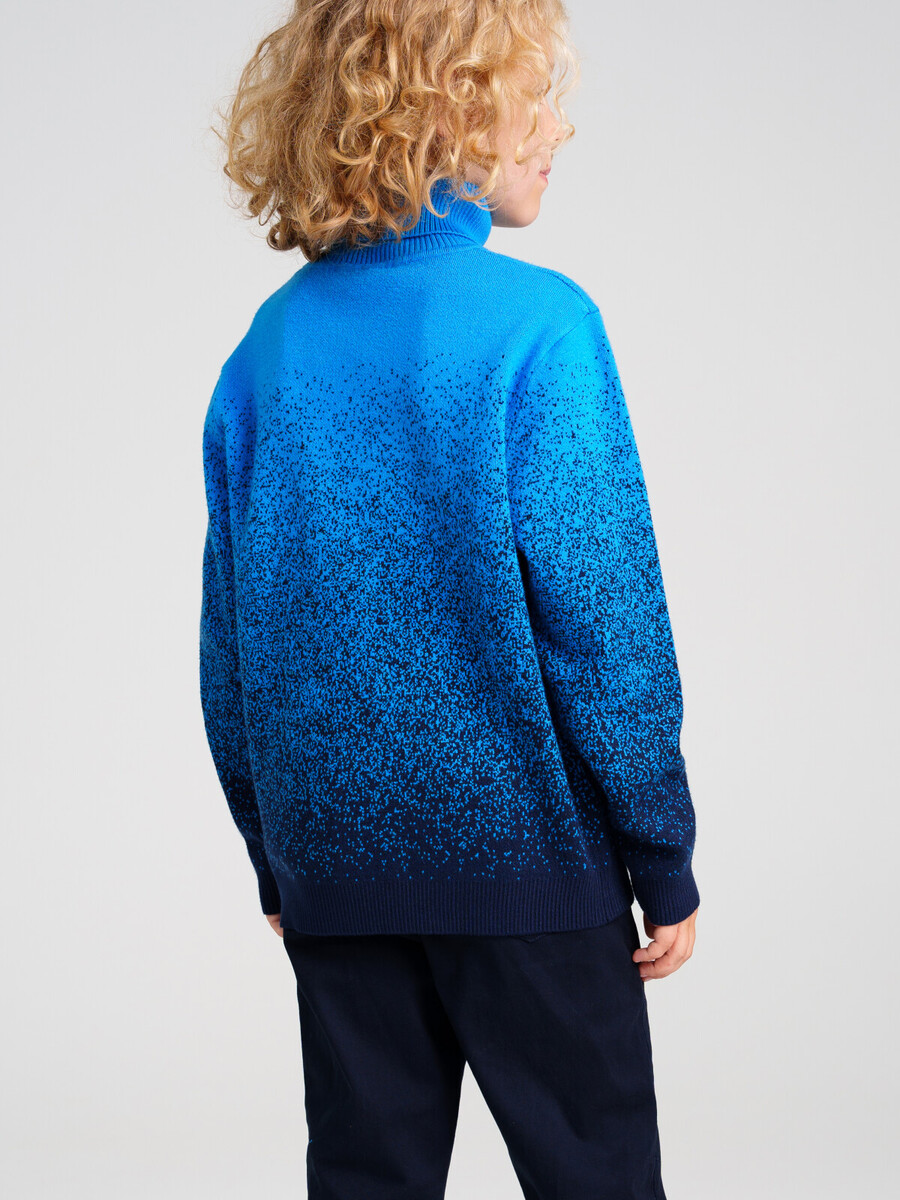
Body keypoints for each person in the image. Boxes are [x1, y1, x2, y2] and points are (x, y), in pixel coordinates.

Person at [200, 2, 699, 1196]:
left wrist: (277, 854)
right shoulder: (540, 328)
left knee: (364, 1178)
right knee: (596, 1177)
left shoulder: (267, 351)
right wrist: (661, 850)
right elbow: (605, 622)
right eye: (537, 97)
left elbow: (232, 648)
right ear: (449, 115)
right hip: (531, 866)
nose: (561, 127)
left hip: (335, 874)